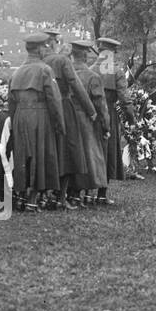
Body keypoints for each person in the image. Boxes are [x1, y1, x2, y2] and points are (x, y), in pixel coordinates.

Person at [6, 32, 64, 211]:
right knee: (40, 155)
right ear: (39, 49)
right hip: (39, 114)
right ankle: (33, 199)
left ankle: (21, 196)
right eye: (44, 47)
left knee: (22, 156)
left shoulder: (17, 71)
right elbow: (54, 99)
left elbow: (11, 101)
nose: (45, 49)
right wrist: (59, 123)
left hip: (19, 116)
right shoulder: (45, 70)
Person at [46, 37, 98, 210]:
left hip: (46, 108)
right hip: (65, 107)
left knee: (52, 150)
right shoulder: (63, 61)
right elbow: (76, 86)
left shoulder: (44, 60)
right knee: (70, 151)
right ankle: (61, 196)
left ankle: (49, 195)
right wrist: (91, 110)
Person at [92, 36, 134, 199]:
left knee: (92, 150)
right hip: (109, 112)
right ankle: (102, 194)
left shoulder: (89, 69)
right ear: (113, 53)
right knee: (108, 152)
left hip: (91, 113)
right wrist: (132, 119)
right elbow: (125, 99)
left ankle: (88, 192)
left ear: (100, 51)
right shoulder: (116, 71)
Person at [69, 40, 109, 204]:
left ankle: (71, 192)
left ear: (72, 54)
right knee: (90, 155)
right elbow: (100, 105)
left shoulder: (66, 74)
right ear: (86, 55)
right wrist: (106, 125)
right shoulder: (93, 77)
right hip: (87, 120)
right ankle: (86, 191)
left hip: (68, 118)